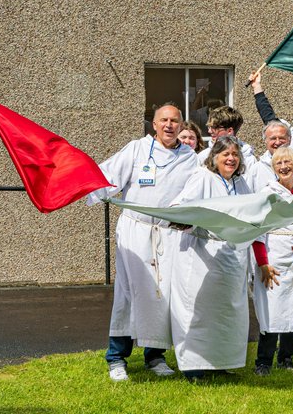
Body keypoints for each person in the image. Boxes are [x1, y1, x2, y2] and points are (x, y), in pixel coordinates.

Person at [87, 104, 199, 381]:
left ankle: (155, 356)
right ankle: (117, 358)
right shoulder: (137, 149)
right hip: (136, 232)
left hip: (169, 235)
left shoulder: (190, 158)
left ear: (181, 125)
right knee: (128, 294)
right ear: (154, 124)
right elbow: (107, 177)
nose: (169, 125)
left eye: (175, 121)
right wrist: (82, 186)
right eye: (164, 120)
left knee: (163, 295)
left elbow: (198, 193)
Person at [168, 136, 254, 379]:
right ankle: (194, 366)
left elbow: (250, 212)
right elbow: (180, 207)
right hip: (201, 256)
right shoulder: (203, 177)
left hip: (231, 258)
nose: (231, 159)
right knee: (200, 310)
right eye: (226, 154)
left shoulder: (240, 183)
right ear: (214, 157)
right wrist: (188, 221)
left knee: (226, 312)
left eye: (235, 154)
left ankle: (221, 363)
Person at [252, 146, 293, 376]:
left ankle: (286, 358)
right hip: (273, 258)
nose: (284, 167)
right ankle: (263, 361)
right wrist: (263, 263)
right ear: (273, 168)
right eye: (279, 163)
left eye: (288, 162)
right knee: (272, 310)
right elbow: (258, 230)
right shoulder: (268, 194)